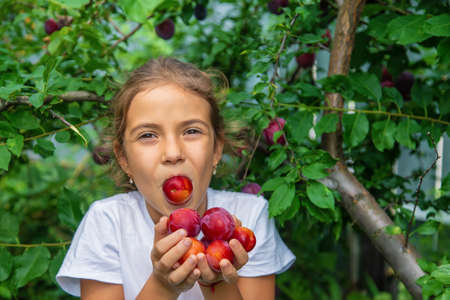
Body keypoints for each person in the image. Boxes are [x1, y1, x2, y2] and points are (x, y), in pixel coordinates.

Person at [56, 57, 295, 300]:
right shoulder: (108, 223)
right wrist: (163, 286)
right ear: (123, 158)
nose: (172, 153)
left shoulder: (248, 219)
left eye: (192, 131)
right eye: (148, 135)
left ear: (216, 149)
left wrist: (218, 283)